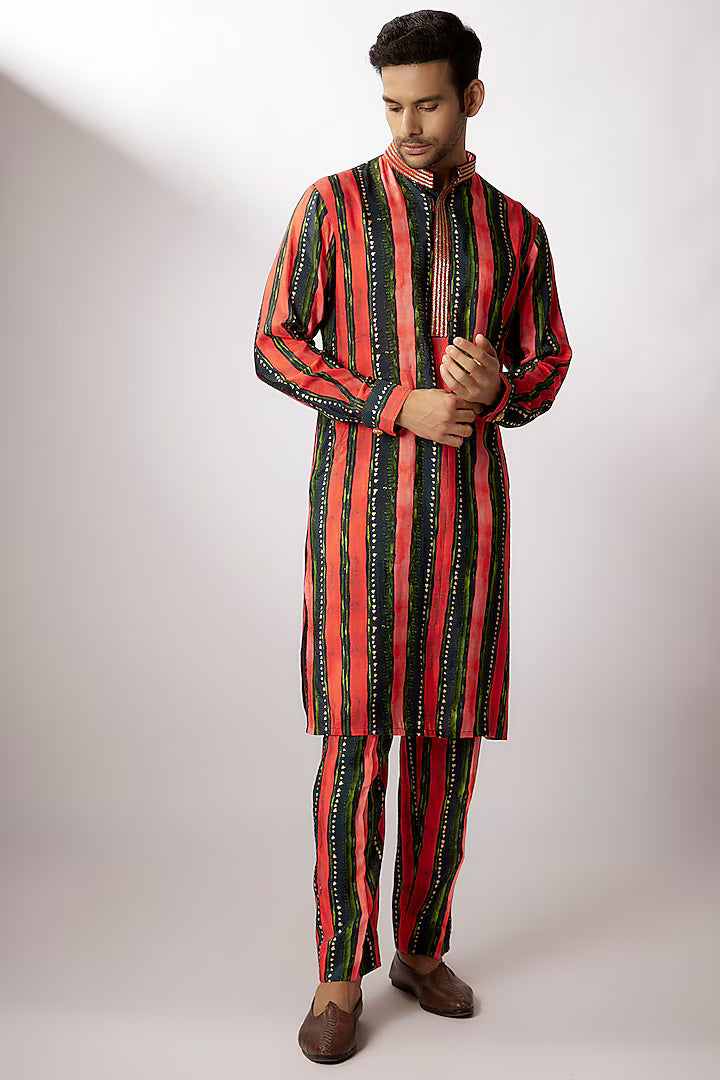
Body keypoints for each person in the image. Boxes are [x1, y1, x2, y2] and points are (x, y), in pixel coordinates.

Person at [254, 9, 572, 1064]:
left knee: (446, 747)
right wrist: (397, 403)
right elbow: (274, 344)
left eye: (429, 104)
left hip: (467, 534)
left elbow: (549, 361)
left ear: (471, 98)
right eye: (392, 106)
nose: (408, 126)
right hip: (358, 532)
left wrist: (497, 390)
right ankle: (339, 972)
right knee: (354, 751)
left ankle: (422, 950)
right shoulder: (333, 207)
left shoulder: (516, 229)